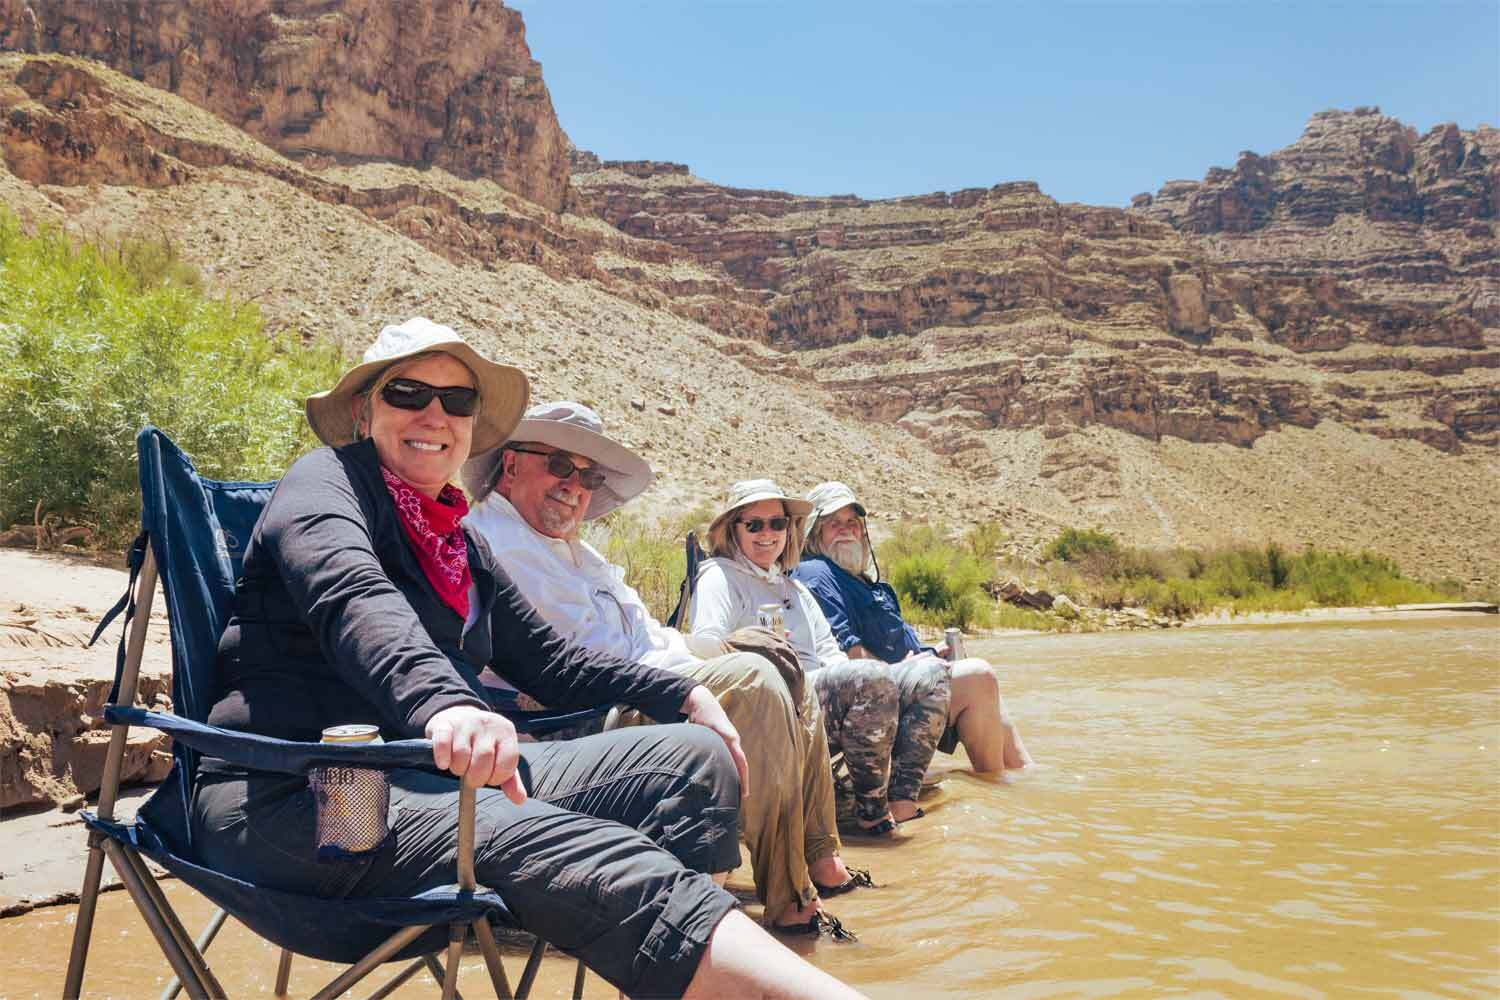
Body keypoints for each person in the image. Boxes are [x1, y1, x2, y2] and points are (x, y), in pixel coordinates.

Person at [190, 318, 867, 1000]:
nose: (435, 415)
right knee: (578, 848)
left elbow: (553, 661)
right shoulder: (324, 483)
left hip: (425, 778)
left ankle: (675, 966)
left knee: (696, 758)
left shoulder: (456, 540)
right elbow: (352, 595)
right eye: (408, 393)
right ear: (366, 411)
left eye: (457, 402)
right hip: (313, 794)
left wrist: (681, 696)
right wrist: (446, 701)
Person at [462, 401, 869, 940]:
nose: (575, 486)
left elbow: (650, 637)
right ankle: (789, 905)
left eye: (588, 475)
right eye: (560, 465)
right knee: (754, 678)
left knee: (784, 666)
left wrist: (710, 655)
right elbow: (576, 664)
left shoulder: (576, 553)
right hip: (575, 721)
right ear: (511, 465)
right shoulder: (500, 541)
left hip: (631, 693)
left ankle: (816, 858)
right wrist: (701, 677)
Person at [689, 481, 951, 835]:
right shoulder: (719, 577)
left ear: (789, 529)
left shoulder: (793, 589)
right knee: (870, 677)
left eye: (777, 524)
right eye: (754, 524)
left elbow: (830, 654)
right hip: (771, 707)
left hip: (818, 696)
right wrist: (756, 647)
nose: (768, 533)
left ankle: (901, 799)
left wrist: (883, 677)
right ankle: (872, 816)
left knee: (932, 673)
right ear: (732, 528)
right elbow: (704, 644)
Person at [794, 482, 1033, 774]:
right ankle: (998, 787)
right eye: (834, 523)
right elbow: (845, 653)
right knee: (978, 677)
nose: (846, 529)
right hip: (875, 691)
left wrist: (932, 653)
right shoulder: (817, 573)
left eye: (852, 523)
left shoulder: (870, 585)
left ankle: (1025, 775)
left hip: (911, 679)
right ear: (814, 533)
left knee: (986, 688)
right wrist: (901, 669)